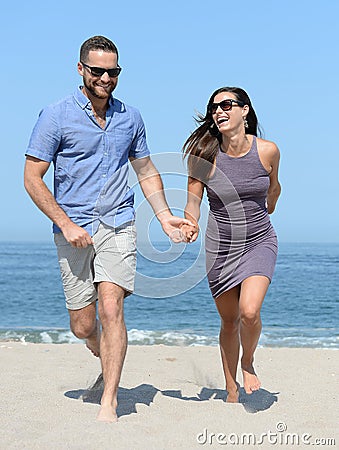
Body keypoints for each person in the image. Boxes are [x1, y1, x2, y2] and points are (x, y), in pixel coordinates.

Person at [24, 35, 192, 422]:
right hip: (73, 228)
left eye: (112, 71)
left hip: (118, 222)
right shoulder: (55, 115)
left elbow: (146, 170)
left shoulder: (130, 117)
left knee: (112, 307)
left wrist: (165, 216)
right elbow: (32, 177)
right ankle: (103, 359)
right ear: (81, 69)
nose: (104, 77)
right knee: (83, 324)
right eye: (97, 70)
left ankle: (110, 401)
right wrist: (65, 224)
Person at [181, 87, 281, 402]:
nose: (219, 111)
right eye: (214, 107)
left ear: (244, 110)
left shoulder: (267, 151)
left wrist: (268, 205)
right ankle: (231, 386)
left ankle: (247, 362)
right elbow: (193, 202)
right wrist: (190, 222)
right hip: (221, 247)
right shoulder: (205, 156)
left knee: (249, 312)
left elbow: (274, 189)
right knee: (229, 320)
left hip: (259, 241)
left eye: (226, 104)